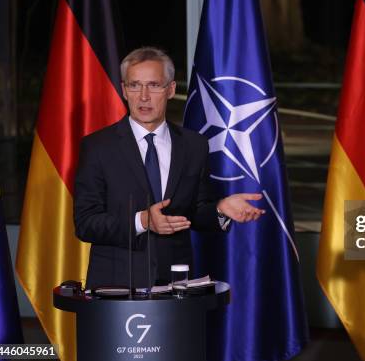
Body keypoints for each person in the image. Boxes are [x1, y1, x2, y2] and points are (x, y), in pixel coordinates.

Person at [74, 46, 264, 288]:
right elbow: (86, 223)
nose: (143, 96)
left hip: (176, 288)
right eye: (134, 85)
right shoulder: (98, 146)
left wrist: (220, 209)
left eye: (154, 85)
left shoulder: (194, 145)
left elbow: (194, 213)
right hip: (115, 289)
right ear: (124, 90)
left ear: (171, 89)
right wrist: (143, 220)